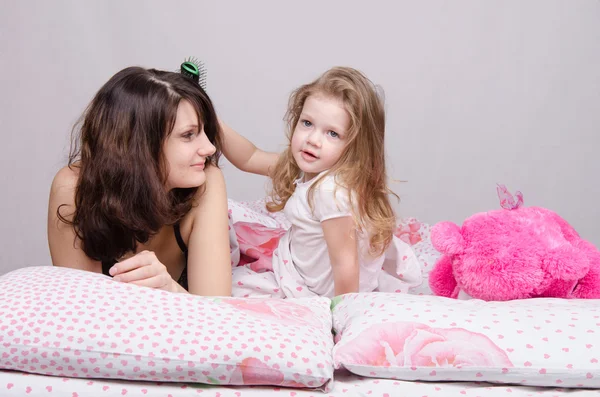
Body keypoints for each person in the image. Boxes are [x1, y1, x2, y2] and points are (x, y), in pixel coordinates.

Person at [221, 66, 422, 298]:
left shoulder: (330, 192)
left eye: (332, 134)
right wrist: (212, 121)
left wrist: (338, 316)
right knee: (240, 236)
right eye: (307, 123)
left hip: (310, 287)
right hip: (299, 259)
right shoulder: (313, 166)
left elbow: (345, 266)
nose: (313, 140)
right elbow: (250, 157)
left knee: (233, 286)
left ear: (355, 147)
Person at [47, 64, 232, 296]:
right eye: (188, 135)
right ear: (139, 145)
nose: (209, 147)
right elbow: (83, 311)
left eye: (205, 131)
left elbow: (217, 314)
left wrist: (170, 290)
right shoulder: (72, 188)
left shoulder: (207, 181)